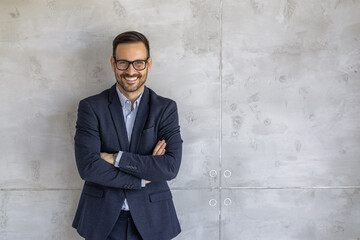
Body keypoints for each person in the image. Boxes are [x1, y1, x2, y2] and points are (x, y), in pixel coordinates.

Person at [72, 31, 182, 240]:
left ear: (148, 64)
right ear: (113, 64)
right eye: (123, 63)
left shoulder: (165, 108)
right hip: (102, 220)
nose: (131, 71)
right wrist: (144, 176)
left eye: (138, 63)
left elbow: (170, 167)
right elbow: (88, 167)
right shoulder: (91, 107)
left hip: (154, 219)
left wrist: (115, 158)